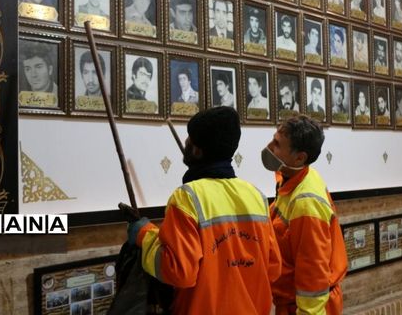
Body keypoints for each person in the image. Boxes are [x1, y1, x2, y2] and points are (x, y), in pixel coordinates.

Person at [126, 106, 282, 315]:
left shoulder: (187, 198)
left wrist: (144, 235)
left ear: (197, 151)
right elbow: (273, 268)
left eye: (190, 138)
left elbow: (179, 271)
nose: (186, 142)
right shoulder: (256, 196)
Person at [263, 115, 347, 314]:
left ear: (299, 158)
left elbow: (313, 276)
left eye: (277, 144)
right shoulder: (293, 176)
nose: (269, 147)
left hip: (304, 307)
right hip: (289, 301)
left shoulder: (306, 203)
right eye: (273, 139)